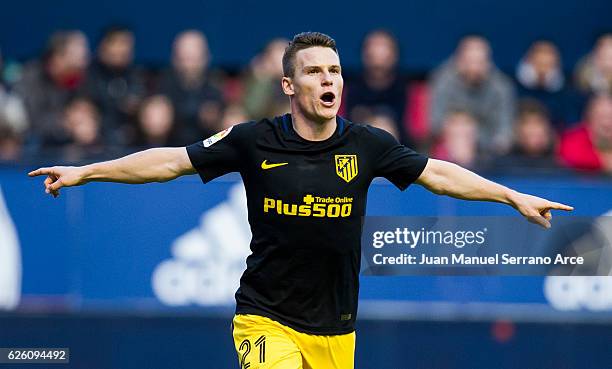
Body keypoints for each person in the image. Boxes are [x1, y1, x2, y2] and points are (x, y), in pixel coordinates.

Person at [29, 32, 573, 369]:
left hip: (336, 326)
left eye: (334, 70)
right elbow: (169, 161)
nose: (327, 78)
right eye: (314, 71)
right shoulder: (253, 139)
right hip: (266, 317)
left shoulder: (367, 144)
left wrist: (509, 195)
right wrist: (87, 171)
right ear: (290, 86)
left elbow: (438, 174)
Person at [429, 35, 516, 156]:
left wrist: (476, 136)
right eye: (469, 61)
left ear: (488, 62)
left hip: (488, 150)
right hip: (448, 146)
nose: (474, 68)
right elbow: (435, 123)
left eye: (480, 62)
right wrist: (458, 128)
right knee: (461, 130)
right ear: (459, 60)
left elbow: (505, 132)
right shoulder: (443, 80)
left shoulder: (502, 87)